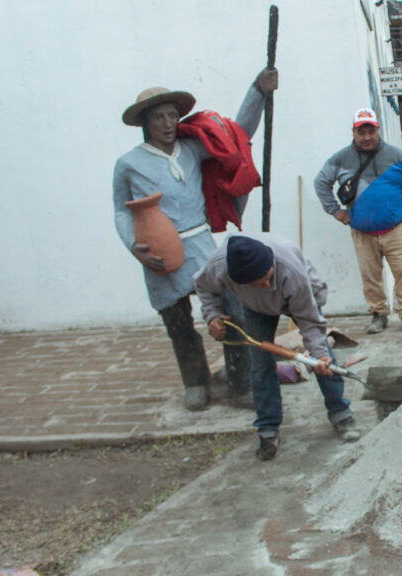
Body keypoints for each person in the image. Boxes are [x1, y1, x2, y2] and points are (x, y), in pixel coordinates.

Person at [113, 68, 278, 411]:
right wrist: (134, 247)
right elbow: (121, 211)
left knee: (230, 310)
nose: (168, 123)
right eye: (158, 117)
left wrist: (257, 91)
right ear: (146, 121)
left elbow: (237, 134)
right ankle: (196, 382)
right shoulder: (128, 164)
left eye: (173, 115)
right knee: (177, 320)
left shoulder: (192, 149)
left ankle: (240, 381)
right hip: (158, 251)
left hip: (201, 243)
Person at [194, 233, 360, 461]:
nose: (265, 285)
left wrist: (319, 354)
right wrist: (212, 314)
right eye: (256, 283)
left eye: (266, 277)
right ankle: (267, 429)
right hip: (255, 308)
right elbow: (203, 287)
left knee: (323, 358)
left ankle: (341, 413)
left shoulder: (290, 271)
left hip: (303, 297)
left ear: (270, 264)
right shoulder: (218, 266)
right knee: (260, 365)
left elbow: (310, 322)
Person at [314, 108, 402, 335]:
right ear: (354, 132)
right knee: (370, 276)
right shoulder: (340, 158)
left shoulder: (397, 156)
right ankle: (378, 314)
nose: (366, 137)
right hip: (362, 232)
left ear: (378, 130)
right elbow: (321, 182)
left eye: (370, 131)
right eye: (361, 132)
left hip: (395, 229)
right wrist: (335, 211)